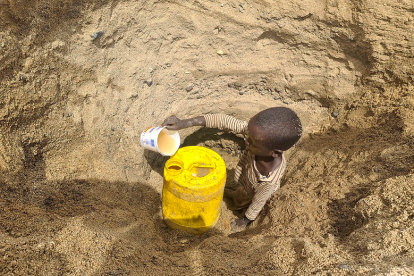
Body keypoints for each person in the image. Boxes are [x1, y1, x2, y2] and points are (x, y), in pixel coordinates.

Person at [162, 107, 302, 232]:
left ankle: (238, 204)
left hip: (252, 195)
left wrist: (245, 220)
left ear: (275, 153)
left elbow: (258, 202)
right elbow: (223, 121)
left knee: (244, 200)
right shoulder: (259, 138)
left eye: (252, 142)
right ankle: (234, 194)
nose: (246, 141)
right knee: (239, 192)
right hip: (244, 183)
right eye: (248, 136)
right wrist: (185, 123)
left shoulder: (268, 180)